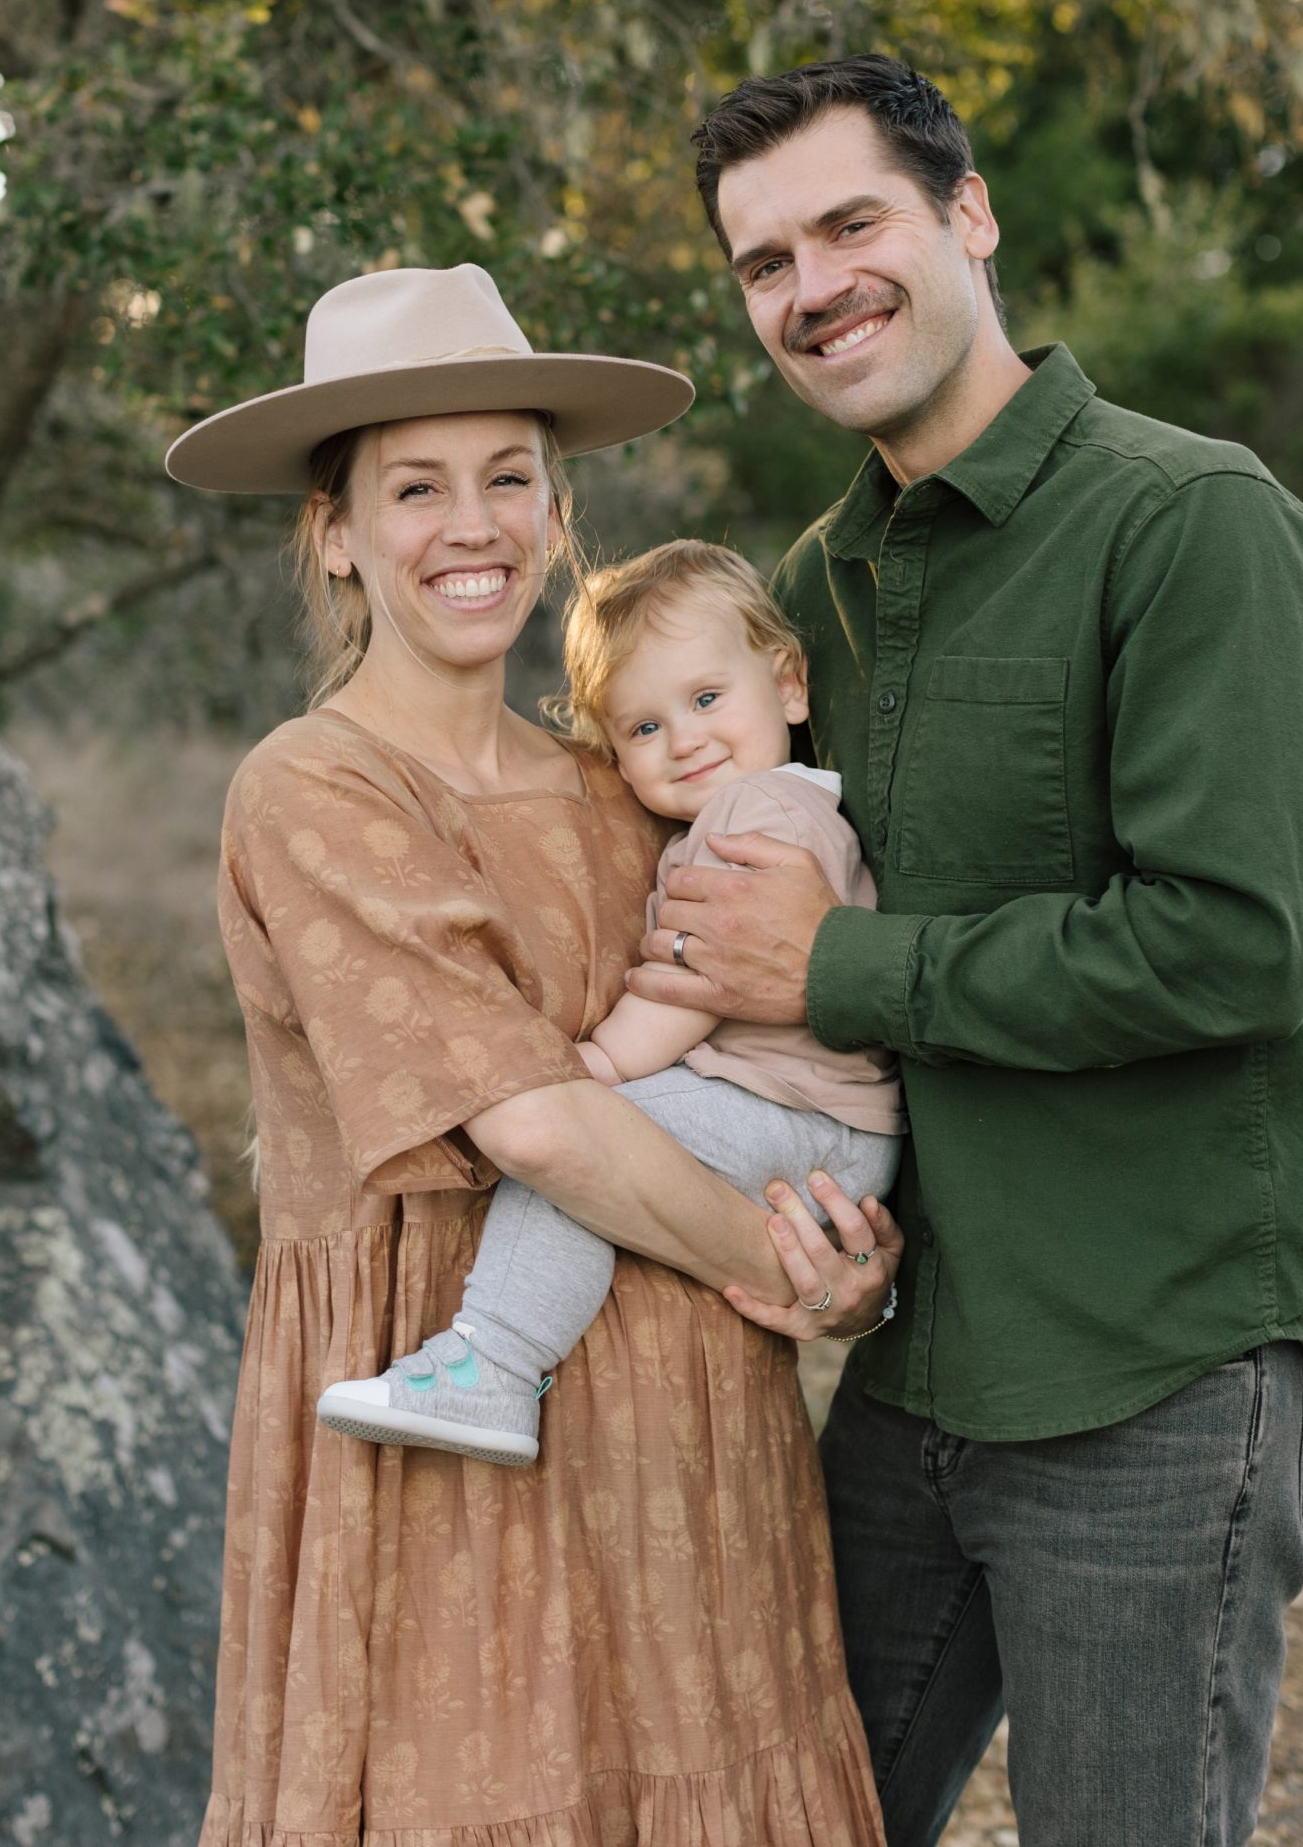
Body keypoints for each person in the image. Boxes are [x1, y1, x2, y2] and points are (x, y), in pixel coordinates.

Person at [623, 54, 1303, 1845]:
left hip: (1157, 1364)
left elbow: (1236, 946)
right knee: (782, 1817)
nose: (812, 287)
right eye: (765, 262)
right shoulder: (814, 591)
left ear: (969, 216)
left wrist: (836, 975)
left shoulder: (1192, 521)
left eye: (851, 223)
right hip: (913, 1361)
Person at [166, 262, 897, 1845]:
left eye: (509, 476)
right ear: (337, 532)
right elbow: (540, 1132)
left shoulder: (619, 780)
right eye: (414, 487)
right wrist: (798, 1274)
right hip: (451, 1438)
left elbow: (761, 1043)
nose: (472, 524)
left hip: (690, 1434)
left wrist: (841, 1253)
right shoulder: (318, 791)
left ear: (559, 509)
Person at [317, 538, 906, 1463]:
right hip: (806, 1125)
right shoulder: (756, 807)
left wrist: (602, 1066)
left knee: (586, 1150)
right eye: (642, 728)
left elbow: (699, 975)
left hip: (805, 1124)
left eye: (707, 699)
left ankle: (494, 1369)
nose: (685, 739)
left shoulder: (758, 817)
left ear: (789, 685)